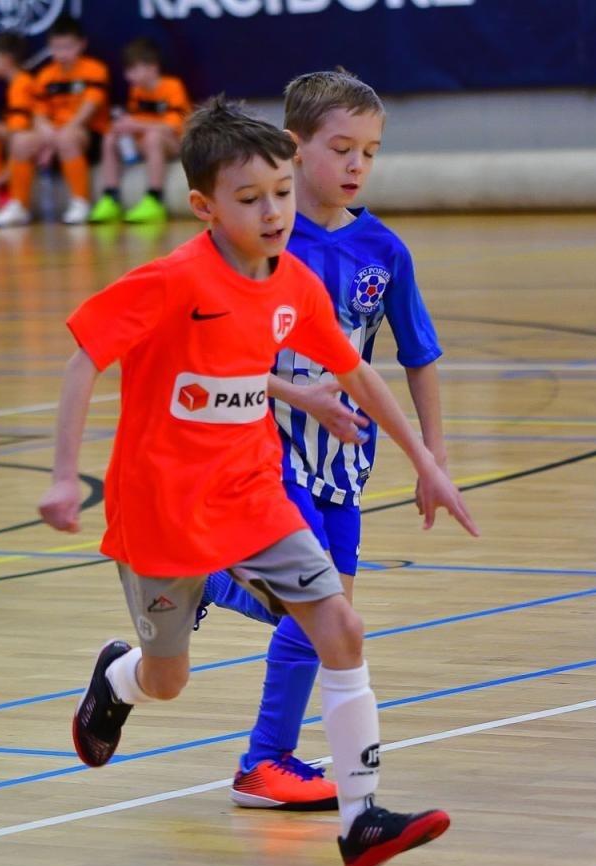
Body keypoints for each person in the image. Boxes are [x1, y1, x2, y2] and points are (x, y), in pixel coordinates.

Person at [38, 98, 479, 866]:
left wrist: (427, 462)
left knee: (340, 626)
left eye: (280, 191)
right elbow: (84, 358)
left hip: (254, 493)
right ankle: (116, 680)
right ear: (205, 206)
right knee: (166, 679)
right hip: (161, 507)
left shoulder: (295, 282)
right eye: (250, 199)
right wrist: (65, 477)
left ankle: (361, 817)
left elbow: (358, 373)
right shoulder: (173, 279)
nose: (273, 211)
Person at [194, 69, 449, 813]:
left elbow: (419, 356)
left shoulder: (383, 250)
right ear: (294, 148)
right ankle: (265, 761)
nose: (357, 166)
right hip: (262, 450)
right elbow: (213, 361)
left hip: (343, 464)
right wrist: (295, 393)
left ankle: (202, 581)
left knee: (322, 613)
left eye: (370, 151)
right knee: (321, 613)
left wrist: (430, 457)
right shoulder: (256, 239)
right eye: (342, 148)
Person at [6, 15, 109, 226]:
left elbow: (86, 113)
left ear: (81, 44)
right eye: (56, 48)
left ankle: (81, 202)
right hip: (54, 134)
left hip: (87, 133)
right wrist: (46, 134)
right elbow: (39, 114)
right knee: (21, 142)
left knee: (67, 138)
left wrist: (54, 141)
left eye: (68, 47)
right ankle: (19, 206)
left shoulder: (95, 70)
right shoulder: (45, 75)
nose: (62, 54)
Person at [88, 38, 189, 225]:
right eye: (127, 70)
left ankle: (154, 199)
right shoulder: (136, 91)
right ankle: (111, 197)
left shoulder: (172, 86)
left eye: (134, 69)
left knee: (153, 137)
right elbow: (136, 122)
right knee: (110, 137)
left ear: (152, 67)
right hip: (144, 141)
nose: (128, 76)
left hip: (172, 142)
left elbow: (174, 126)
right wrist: (124, 127)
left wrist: (136, 125)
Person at [0, 32, 43, 227]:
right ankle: (3, 191)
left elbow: (19, 130)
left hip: (42, 134)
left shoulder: (21, 83)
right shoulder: (14, 83)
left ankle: (16, 201)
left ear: (6, 59)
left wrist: (8, 170)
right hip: (30, 134)